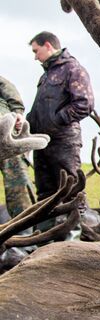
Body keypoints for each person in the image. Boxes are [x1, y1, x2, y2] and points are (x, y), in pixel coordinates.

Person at [27, 31, 94, 237]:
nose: (35, 56)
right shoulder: (46, 75)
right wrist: (27, 123)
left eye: (36, 51)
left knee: (70, 193)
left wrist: (56, 121)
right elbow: (40, 109)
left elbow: (85, 104)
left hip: (64, 142)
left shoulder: (73, 69)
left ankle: (72, 245)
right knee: (46, 195)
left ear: (48, 45)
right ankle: (44, 245)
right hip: (42, 143)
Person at [0, 76, 35, 220]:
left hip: (4, 132)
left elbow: (6, 87)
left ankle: (26, 231)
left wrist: (18, 112)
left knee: (18, 183)